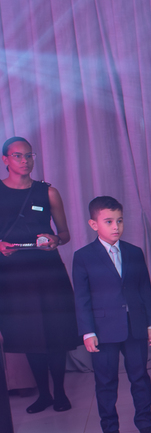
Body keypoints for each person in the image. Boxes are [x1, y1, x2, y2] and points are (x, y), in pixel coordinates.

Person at [0, 136, 80, 414]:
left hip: (47, 270)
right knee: (28, 333)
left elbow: (66, 234)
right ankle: (43, 394)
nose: (25, 161)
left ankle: (59, 392)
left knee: (55, 331)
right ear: (5, 160)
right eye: (18, 156)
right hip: (13, 272)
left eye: (29, 155)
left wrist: (55, 239)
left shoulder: (48, 192)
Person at [73, 197, 151, 433]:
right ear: (93, 223)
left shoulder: (134, 252)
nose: (116, 226)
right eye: (108, 221)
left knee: (140, 377)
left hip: (135, 326)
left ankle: (145, 425)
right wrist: (88, 332)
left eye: (119, 220)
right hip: (103, 330)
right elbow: (81, 297)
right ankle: (111, 431)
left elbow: (145, 289)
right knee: (106, 381)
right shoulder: (83, 257)